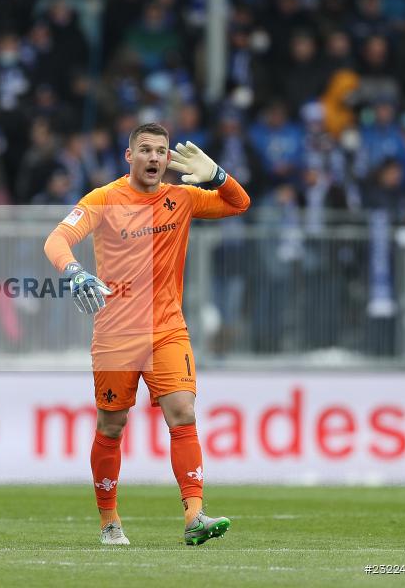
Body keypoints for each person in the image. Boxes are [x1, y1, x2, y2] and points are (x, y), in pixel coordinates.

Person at [43, 122, 250, 546]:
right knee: (112, 425)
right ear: (129, 155)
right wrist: (75, 270)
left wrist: (217, 176)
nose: (155, 157)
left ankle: (195, 516)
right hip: (116, 333)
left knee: (183, 411)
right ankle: (109, 521)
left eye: (162, 150)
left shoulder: (182, 197)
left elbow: (239, 204)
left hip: (167, 330)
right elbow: (57, 239)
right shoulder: (103, 199)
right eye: (146, 150)